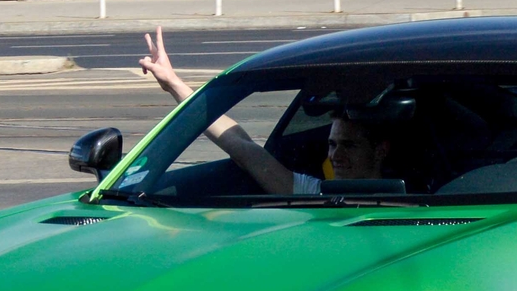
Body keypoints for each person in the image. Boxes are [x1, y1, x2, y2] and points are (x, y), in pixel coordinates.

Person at [137, 27, 390, 196]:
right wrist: (174, 84)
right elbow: (242, 147)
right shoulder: (314, 193)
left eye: (349, 145)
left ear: (380, 150)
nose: (336, 154)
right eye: (332, 144)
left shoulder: (420, 198)